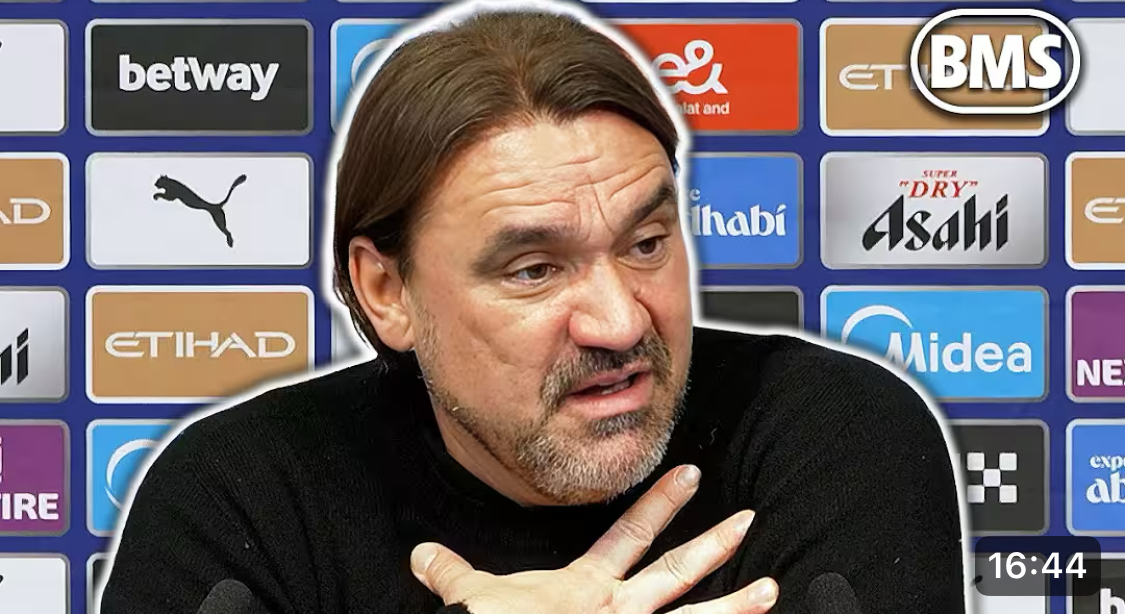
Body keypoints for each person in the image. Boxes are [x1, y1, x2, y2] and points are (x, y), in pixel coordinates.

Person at [98, 2, 968, 613]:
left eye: (645, 244)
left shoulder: (828, 437)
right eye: (534, 270)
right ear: (385, 291)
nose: (620, 323)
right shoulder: (241, 497)